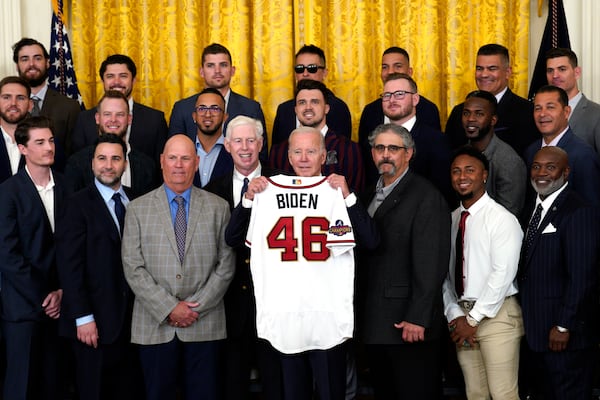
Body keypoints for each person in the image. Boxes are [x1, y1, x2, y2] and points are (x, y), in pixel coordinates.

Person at [226, 126, 378, 400]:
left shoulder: (337, 193)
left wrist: (347, 196)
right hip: (285, 317)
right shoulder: (266, 191)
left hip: (326, 317)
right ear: (289, 156)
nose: (304, 158)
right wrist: (249, 199)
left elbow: (370, 241)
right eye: (298, 151)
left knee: (331, 392)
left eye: (311, 151)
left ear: (323, 156)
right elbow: (232, 237)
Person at [121, 134, 235, 400]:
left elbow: (226, 264)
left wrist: (195, 307)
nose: (179, 165)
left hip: (204, 324)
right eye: (172, 158)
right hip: (155, 326)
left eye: (186, 158)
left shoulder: (219, 207)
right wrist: (170, 308)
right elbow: (132, 266)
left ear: (196, 162)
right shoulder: (138, 209)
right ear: (162, 161)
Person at [355, 123, 450, 399]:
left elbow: (431, 262)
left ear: (408, 154)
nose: (385, 154)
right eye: (379, 148)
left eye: (393, 148)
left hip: (407, 325)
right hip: (375, 322)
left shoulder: (426, 196)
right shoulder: (368, 195)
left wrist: (417, 317)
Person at [56, 133, 143, 400]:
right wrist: (83, 317)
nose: (108, 165)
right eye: (102, 158)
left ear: (125, 164)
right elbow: (69, 266)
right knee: (94, 391)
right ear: (92, 164)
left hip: (133, 322)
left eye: (115, 158)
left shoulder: (137, 201)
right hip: (93, 324)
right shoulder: (76, 204)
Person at [204, 116, 283, 400]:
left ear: (262, 144)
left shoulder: (283, 182)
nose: (245, 147)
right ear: (227, 146)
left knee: (277, 382)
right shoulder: (213, 188)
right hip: (229, 303)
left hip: (274, 303)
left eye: (251, 140)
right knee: (232, 383)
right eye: (238, 141)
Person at [442, 146, 524, 399]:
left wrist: (473, 319)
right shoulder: (453, 218)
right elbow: (443, 273)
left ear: (484, 175)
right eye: (456, 171)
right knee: (475, 394)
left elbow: (502, 275)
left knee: (503, 394)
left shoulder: (501, 219)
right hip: (462, 315)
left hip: (497, 316)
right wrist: (454, 313)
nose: (462, 176)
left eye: (469, 170)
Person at [519, 146, 600, 399]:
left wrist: (564, 325)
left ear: (566, 172)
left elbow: (583, 276)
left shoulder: (578, 210)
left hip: (564, 335)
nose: (541, 173)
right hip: (535, 334)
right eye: (536, 166)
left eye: (550, 167)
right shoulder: (531, 206)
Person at [0, 116, 68, 400]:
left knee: (57, 385)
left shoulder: (67, 187)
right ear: (23, 148)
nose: (48, 147)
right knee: (23, 386)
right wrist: (45, 296)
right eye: (40, 142)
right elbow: (7, 254)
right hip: (24, 309)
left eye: (51, 140)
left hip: (63, 307)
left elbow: (74, 248)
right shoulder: (7, 192)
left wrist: (62, 292)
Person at [358, 72, 452, 197]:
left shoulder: (436, 141)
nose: (392, 100)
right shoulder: (371, 142)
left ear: (415, 99)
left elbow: (442, 194)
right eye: (386, 95)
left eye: (399, 94)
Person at [169, 43, 268, 160]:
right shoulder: (182, 108)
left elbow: (261, 156)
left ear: (232, 70)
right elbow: (172, 153)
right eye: (210, 65)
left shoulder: (251, 109)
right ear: (201, 71)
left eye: (223, 65)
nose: (217, 71)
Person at [269, 79, 364, 193]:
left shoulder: (349, 149)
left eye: (315, 102)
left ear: (326, 108)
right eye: (302, 102)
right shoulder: (278, 151)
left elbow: (357, 195)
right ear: (295, 110)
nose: (308, 107)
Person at [71, 54, 168, 165]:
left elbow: (162, 166)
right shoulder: (84, 119)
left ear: (134, 80)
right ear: (103, 81)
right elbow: (78, 163)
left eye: (123, 76)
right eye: (110, 76)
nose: (116, 81)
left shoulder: (155, 120)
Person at [445, 43, 538, 157]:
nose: (484, 75)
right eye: (479, 68)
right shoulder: (459, 112)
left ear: (508, 72)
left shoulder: (527, 112)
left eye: (492, 69)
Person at [64, 90, 159, 198]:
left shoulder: (147, 165)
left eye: (120, 114)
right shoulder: (76, 164)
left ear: (129, 119)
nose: (113, 120)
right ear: (97, 118)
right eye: (107, 114)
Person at [359, 47, 441, 165]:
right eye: (385, 67)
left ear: (410, 72)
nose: (390, 72)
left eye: (397, 66)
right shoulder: (370, 111)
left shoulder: (428, 109)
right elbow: (365, 156)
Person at [524, 85, 600, 207]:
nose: (542, 114)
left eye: (550, 107)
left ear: (566, 112)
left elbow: (591, 209)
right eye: (538, 108)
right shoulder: (531, 151)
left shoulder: (583, 155)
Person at [461, 90, 526, 216]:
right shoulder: (461, 155)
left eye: (479, 114)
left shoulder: (508, 161)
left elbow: (507, 217)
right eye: (466, 113)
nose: (470, 119)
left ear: (493, 120)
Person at [271, 44, 352, 146]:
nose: (305, 73)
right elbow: (276, 152)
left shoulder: (338, 108)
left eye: (312, 68)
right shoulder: (284, 110)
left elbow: (342, 151)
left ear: (325, 73)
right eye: (300, 68)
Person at [12, 38, 81, 155]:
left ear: (47, 62)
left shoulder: (69, 107)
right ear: (17, 66)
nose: (31, 64)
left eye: (37, 58)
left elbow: (74, 154)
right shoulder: (7, 107)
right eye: (24, 59)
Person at [545, 47, 600, 154]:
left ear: (577, 73)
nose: (555, 75)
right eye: (550, 70)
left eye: (562, 69)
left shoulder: (596, 114)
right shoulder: (540, 114)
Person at [189, 88, 236, 187]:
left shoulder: (235, 153)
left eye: (215, 109)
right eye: (202, 109)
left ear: (225, 117)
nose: (208, 114)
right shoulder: (185, 150)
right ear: (194, 116)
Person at [0, 76, 31, 183]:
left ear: (30, 105)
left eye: (20, 98)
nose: (13, 103)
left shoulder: (47, 142)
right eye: (6, 97)